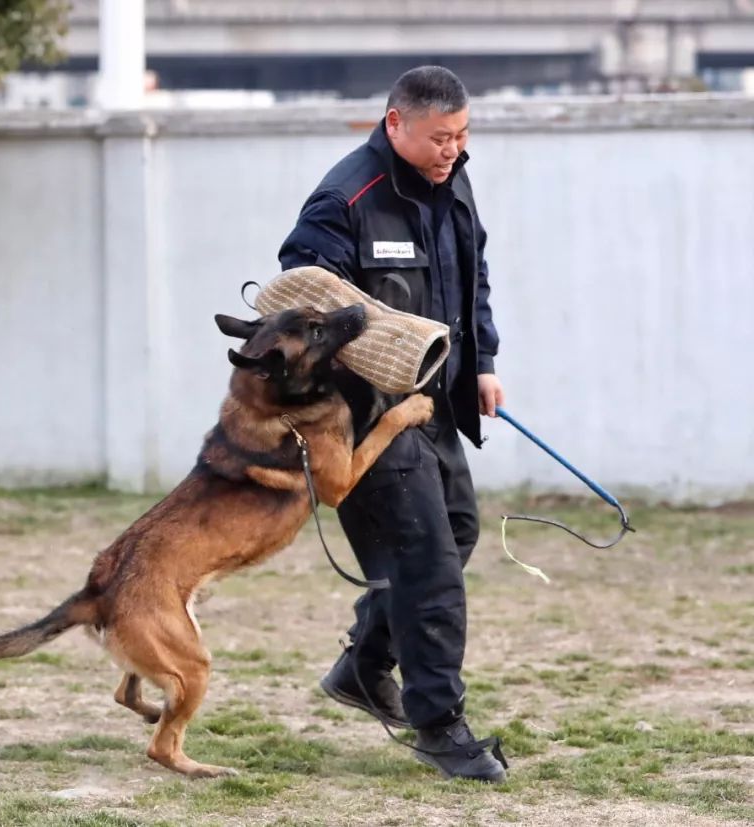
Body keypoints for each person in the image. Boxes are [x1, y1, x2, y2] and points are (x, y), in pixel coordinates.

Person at [278, 65, 507, 783]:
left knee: (458, 531)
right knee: (428, 562)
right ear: (395, 123)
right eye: (440, 136)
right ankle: (440, 724)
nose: (453, 149)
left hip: (432, 405)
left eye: (463, 134)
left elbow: (474, 276)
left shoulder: (454, 181)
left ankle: (365, 663)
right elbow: (300, 304)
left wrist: (484, 361)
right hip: (367, 417)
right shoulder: (344, 198)